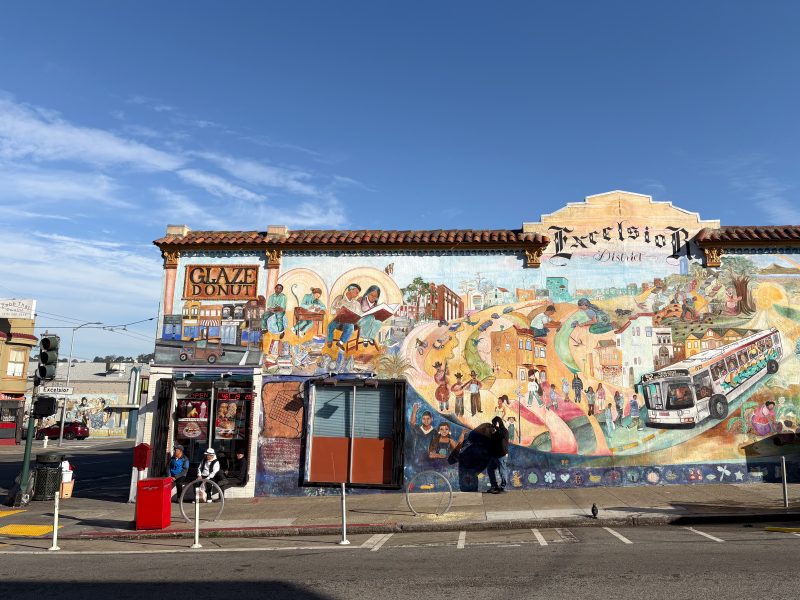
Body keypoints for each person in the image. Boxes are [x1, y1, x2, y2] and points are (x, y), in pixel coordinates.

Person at [326, 283, 362, 350]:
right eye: (356, 292)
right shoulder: (339, 298)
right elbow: (332, 309)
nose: (357, 295)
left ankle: (341, 342)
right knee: (330, 326)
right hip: (338, 319)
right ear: (351, 290)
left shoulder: (356, 304)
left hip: (348, 322)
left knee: (350, 328)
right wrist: (336, 311)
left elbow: (359, 314)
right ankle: (329, 340)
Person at [356, 285, 384, 350]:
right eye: (371, 295)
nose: (373, 297)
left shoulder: (376, 305)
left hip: (370, 321)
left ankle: (370, 337)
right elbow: (355, 310)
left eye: (375, 296)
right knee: (370, 317)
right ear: (368, 293)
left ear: (377, 297)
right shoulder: (361, 300)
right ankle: (365, 338)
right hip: (359, 320)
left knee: (378, 322)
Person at [487, 417, 509, 493]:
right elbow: (492, 441)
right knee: (490, 469)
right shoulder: (496, 432)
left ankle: (503, 487)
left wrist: (496, 427)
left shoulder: (504, 431)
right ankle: (494, 486)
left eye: (494, 423)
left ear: (498, 423)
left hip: (501, 455)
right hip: (494, 455)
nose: (493, 425)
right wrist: (492, 433)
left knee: (502, 471)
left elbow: (502, 435)